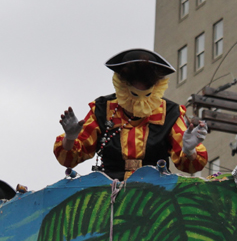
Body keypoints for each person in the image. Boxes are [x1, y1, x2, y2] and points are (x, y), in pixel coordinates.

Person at [54, 48, 208, 180]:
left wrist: (189, 151)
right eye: (134, 94)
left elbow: (191, 166)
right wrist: (70, 138)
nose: (139, 103)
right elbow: (71, 158)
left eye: (146, 95)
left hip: (156, 195)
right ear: (122, 87)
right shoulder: (102, 109)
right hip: (109, 193)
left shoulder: (170, 113)